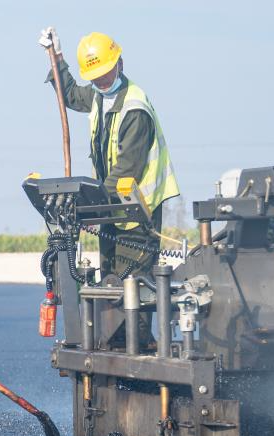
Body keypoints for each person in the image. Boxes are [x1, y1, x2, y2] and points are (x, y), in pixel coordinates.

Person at [39, 28, 179, 279]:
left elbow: (128, 169)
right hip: (112, 210)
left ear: (120, 64)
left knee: (133, 290)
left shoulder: (135, 108)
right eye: (95, 79)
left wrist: (92, 207)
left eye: (104, 76)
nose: (101, 83)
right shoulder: (99, 96)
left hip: (138, 212)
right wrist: (57, 57)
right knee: (109, 286)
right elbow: (69, 95)